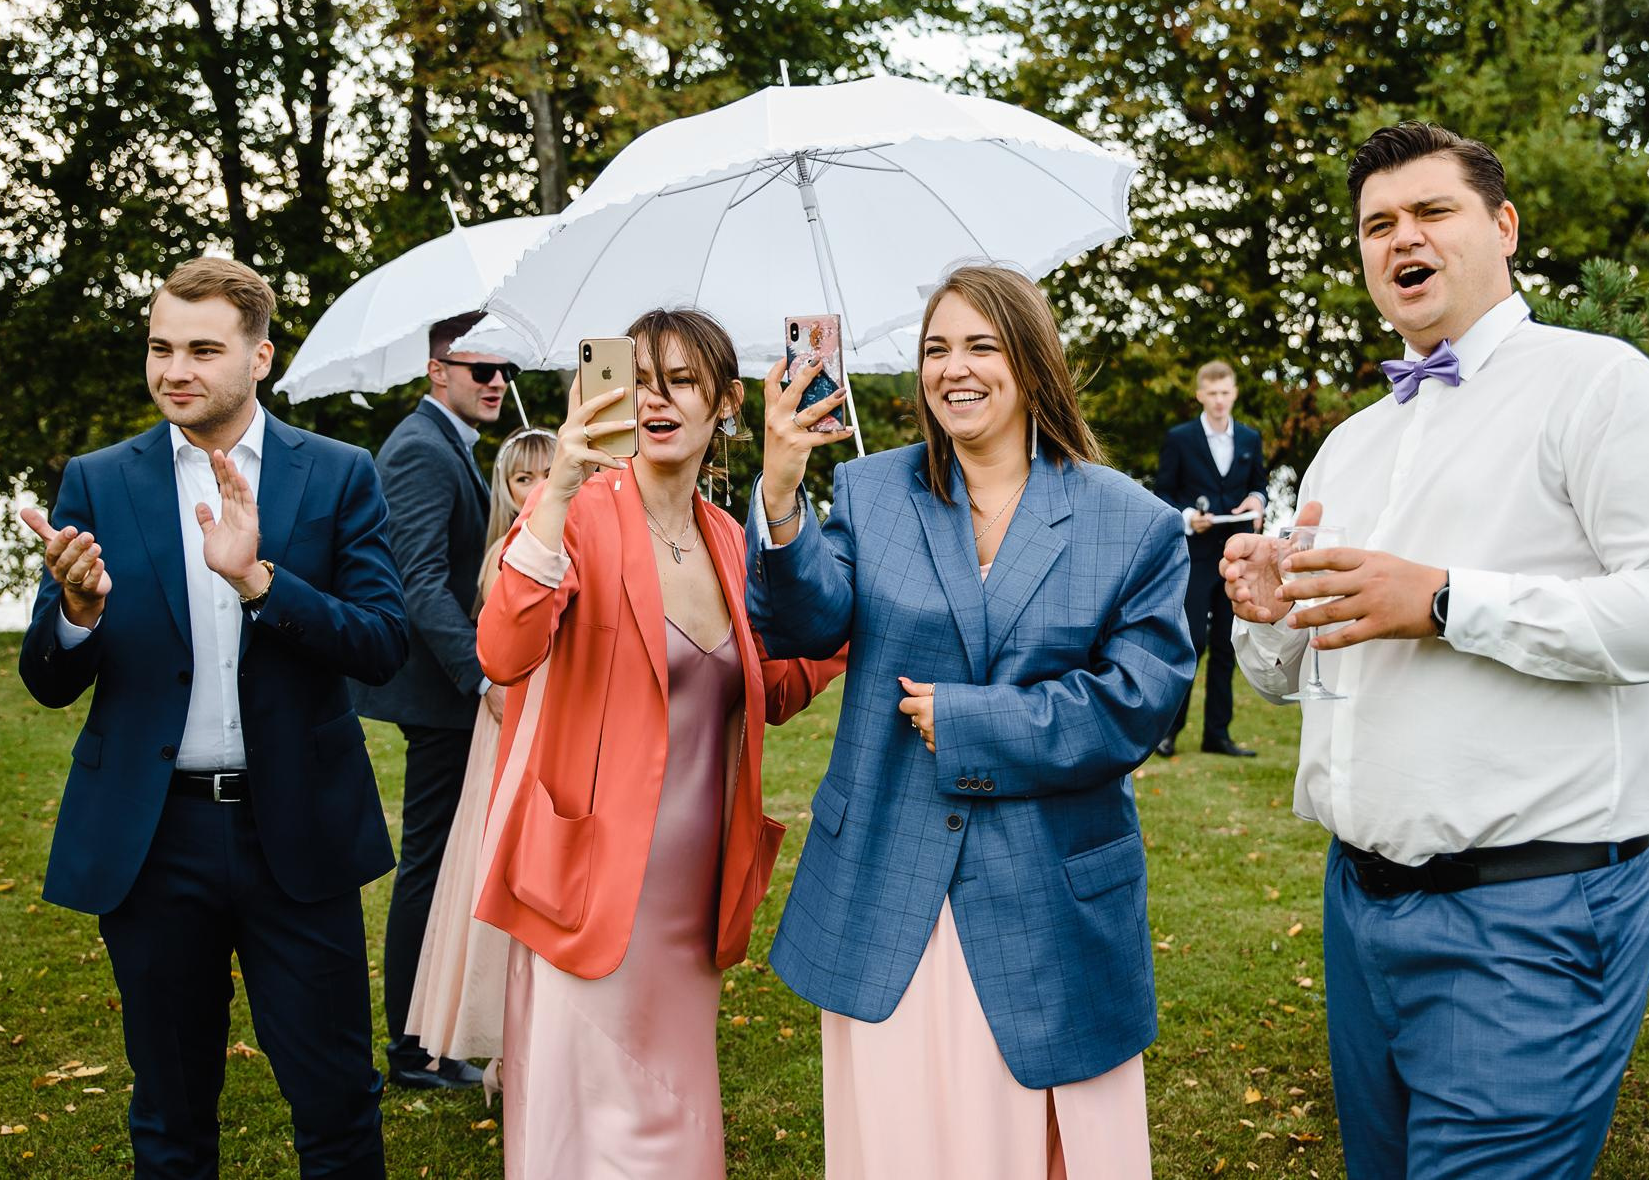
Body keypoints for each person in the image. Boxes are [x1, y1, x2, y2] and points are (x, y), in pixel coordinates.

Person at [1221, 122, 1649, 1179]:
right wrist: (1264, 612)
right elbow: (1285, 679)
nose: (1400, 238)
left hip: (1527, 914)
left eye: (1430, 212)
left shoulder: (1600, 386)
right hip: (1357, 906)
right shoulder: (1353, 440)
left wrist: (1448, 602)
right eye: (1376, 224)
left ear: (1500, 227)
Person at [749, 264, 1195, 1180]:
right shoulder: (872, 491)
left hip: (1050, 893)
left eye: (980, 346)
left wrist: (973, 722)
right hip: (888, 879)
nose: (954, 368)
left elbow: (1139, 703)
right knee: (902, 1140)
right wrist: (785, 496)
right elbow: (806, 621)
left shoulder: (1133, 522)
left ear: (1030, 363)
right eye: (935, 349)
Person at [16, 256, 407, 1178]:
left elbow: (384, 642)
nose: (173, 370)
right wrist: (76, 615)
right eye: (159, 348)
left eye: (200, 348)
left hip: (298, 835)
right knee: (170, 1113)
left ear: (260, 356)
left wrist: (260, 581)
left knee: (338, 1105)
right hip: (154, 843)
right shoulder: (101, 481)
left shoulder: (340, 475)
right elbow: (46, 679)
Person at [473, 308, 844, 1178]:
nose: (656, 398)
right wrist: (559, 482)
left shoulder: (731, 539)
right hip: (587, 888)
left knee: (678, 1124)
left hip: (692, 899)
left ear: (726, 404)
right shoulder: (576, 511)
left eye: (681, 380)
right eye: (640, 378)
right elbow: (504, 650)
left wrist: (869, 622)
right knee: (590, 1136)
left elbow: (774, 686)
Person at [349, 311, 513, 1091]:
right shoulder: (418, 449)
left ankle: (433, 1033)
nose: (494, 381)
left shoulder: (451, 445)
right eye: (478, 368)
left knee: (446, 861)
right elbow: (416, 583)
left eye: (502, 369)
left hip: (452, 689)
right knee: (429, 864)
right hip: (441, 692)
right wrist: (482, 676)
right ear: (434, 370)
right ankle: (414, 1047)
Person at [403, 427, 557, 1100]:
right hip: (516, 731)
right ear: (507, 488)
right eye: (524, 479)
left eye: (550, 473)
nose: (539, 489)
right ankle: (501, 1043)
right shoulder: (508, 555)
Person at [1152, 358, 1267, 757]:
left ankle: (1217, 734)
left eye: (1225, 393)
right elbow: (1162, 492)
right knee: (1189, 641)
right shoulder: (1180, 438)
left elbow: (1259, 487)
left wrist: (1258, 499)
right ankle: (1168, 732)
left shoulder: (1250, 439)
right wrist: (1187, 517)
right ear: (1200, 394)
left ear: (1234, 393)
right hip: (1195, 556)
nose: (1219, 401)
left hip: (1237, 554)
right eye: (1212, 393)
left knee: (1226, 644)